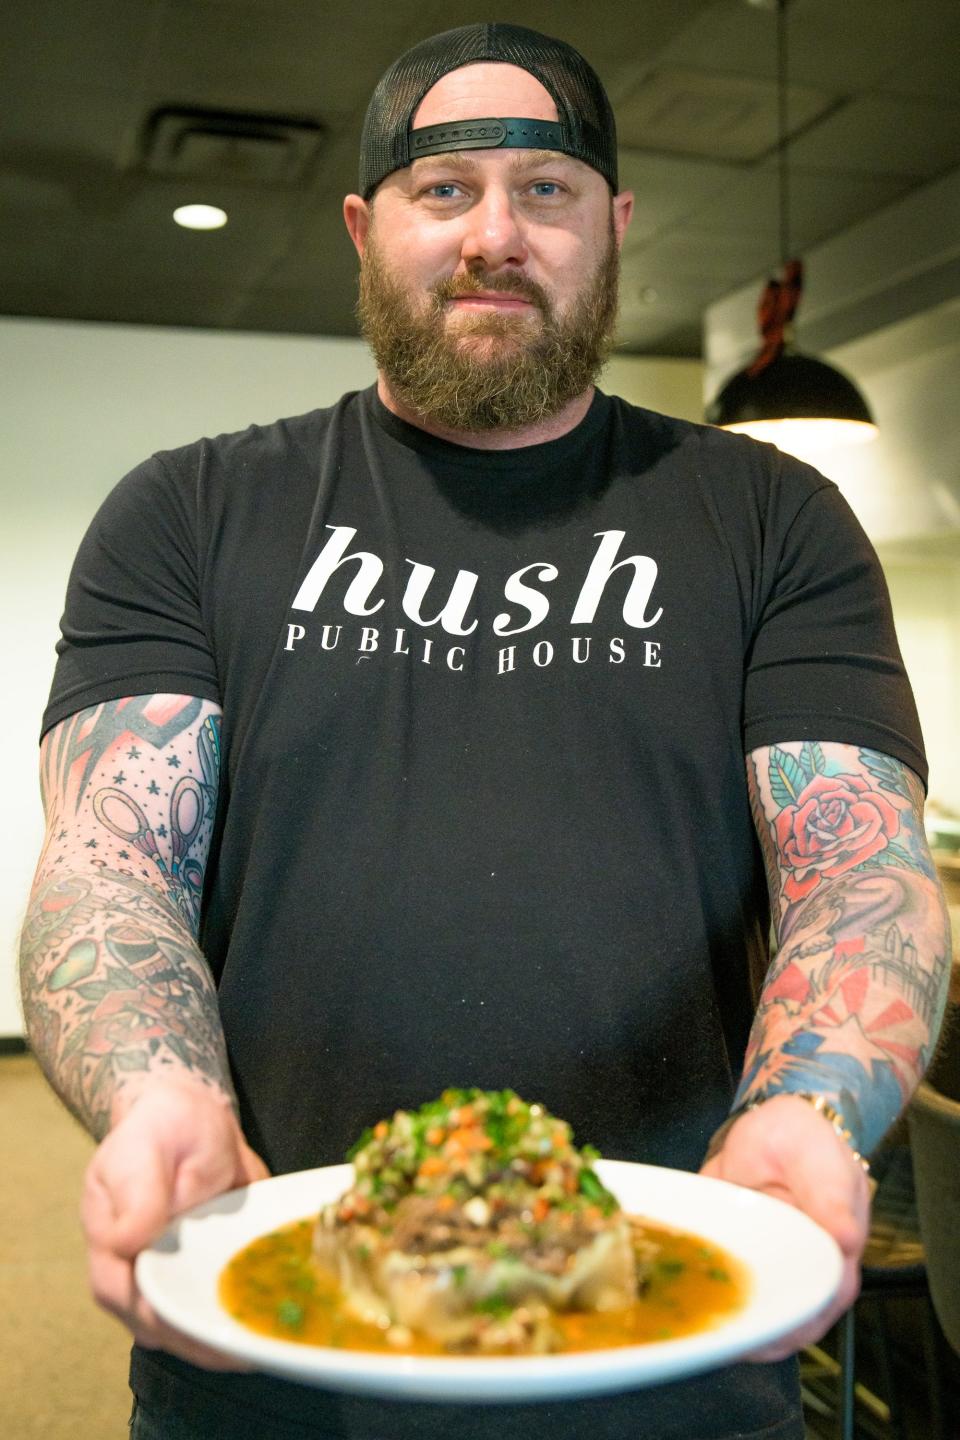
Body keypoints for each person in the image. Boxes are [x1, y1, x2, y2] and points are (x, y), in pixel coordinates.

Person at [20, 21, 950, 1440]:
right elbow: (109, 862)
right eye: (444, 191)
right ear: (364, 224)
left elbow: (860, 865)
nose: (495, 234)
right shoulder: (191, 513)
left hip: (680, 1338)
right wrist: (158, 1100)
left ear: (616, 224)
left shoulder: (774, 520)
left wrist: (808, 1115)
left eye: (549, 189)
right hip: (270, 1342)